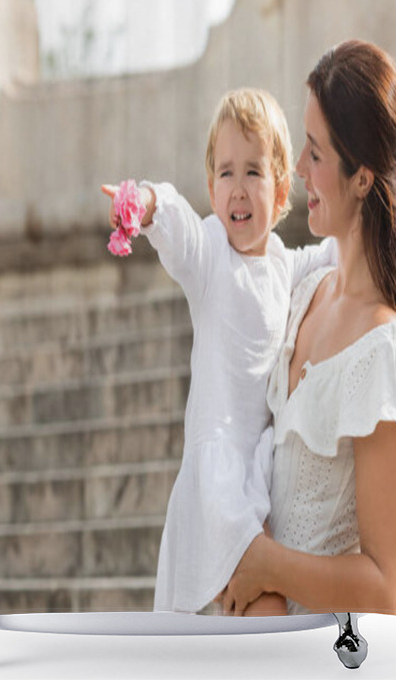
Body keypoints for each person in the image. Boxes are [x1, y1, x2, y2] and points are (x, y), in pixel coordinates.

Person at [220, 41, 396, 616]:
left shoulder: (384, 355)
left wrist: (266, 565)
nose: (297, 170)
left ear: (364, 178)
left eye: (315, 154)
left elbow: (381, 587)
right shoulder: (304, 296)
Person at [102, 88, 335, 615]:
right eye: (226, 173)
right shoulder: (210, 255)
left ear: (279, 195)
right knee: (265, 609)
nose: (238, 188)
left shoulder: (282, 263)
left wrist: (379, 203)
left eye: (253, 172)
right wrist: (150, 203)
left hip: (261, 476)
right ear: (211, 187)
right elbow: (179, 228)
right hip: (218, 483)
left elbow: (332, 254)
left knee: (259, 618)